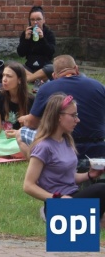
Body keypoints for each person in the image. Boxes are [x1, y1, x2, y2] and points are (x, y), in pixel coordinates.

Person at [23, 93, 105, 223]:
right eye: (73, 115)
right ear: (58, 117)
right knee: (101, 189)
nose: (77, 120)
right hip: (58, 205)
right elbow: (28, 185)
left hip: (73, 195)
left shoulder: (66, 140)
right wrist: (56, 198)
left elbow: (67, 176)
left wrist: (89, 175)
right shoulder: (44, 146)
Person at [18, 55, 105, 161]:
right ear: (76, 69)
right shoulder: (99, 86)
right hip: (98, 148)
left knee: (21, 133)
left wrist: (25, 118)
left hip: (62, 147)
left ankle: (41, 165)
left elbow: (32, 123)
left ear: (54, 75)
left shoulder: (46, 89)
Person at [0, 62, 34, 156]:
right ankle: (12, 153)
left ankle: (9, 152)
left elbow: (34, 129)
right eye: (3, 75)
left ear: (19, 80)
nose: (4, 79)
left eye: (9, 76)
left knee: (26, 145)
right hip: (2, 136)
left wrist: (18, 133)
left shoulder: (30, 100)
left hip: (21, 136)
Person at [16, 6, 56, 83]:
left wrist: (42, 39)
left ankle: (29, 79)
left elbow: (51, 53)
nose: (35, 22)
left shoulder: (49, 33)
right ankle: (37, 80)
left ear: (44, 20)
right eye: (32, 20)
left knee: (52, 68)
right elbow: (20, 53)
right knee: (13, 65)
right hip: (29, 67)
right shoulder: (26, 33)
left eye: (38, 19)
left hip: (44, 68)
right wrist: (26, 39)